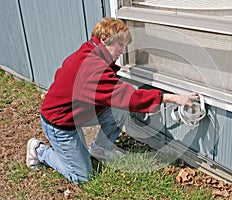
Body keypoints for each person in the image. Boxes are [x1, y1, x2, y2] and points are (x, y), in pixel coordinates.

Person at [26, 17, 199, 184]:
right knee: (81, 177)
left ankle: (100, 148)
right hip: (60, 123)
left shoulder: (90, 51)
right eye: (121, 45)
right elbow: (129, 97)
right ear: (105, 39)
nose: (123, 51)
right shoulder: (91, 67)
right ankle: (38, 150)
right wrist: (173, 98)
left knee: (120, 108)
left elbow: (118, 96)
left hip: (76, 113)